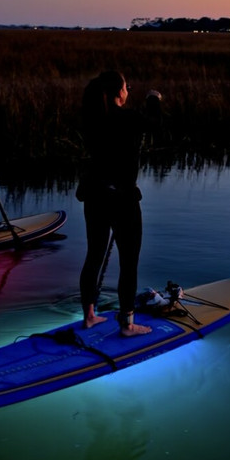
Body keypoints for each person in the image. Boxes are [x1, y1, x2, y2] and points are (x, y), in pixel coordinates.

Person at [76, 71, 163, 336]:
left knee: (94, 256)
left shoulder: (92, 118)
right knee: (129, 261)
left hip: (95, 196)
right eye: (127, 86)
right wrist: (153, 99)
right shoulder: (128, 118)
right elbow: (155, 124)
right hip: (122, 199)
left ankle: (89, 315)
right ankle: (127, 324)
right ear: (118, 92)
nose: (128, 90)